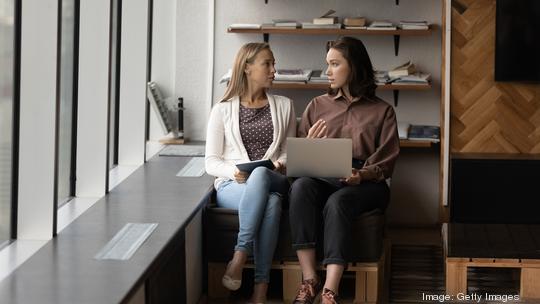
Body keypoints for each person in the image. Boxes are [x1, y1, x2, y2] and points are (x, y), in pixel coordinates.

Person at [289, 36, 400, 304]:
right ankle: (309, 279)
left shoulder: (382, 111)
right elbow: (299, 159)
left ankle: (330, 290)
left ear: (354, 66)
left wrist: (359, 175)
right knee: (300, 187)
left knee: (339, 201)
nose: (327, 71)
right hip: (323, 175)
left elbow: (386, 163)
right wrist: (309, 146)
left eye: (334, 64)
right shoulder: (317, 105)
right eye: (327, 64)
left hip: (367, 183)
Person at [205, 42, 296, 304]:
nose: (273, 70)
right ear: (247, 67)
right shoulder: (222, 109)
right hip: (234, 185)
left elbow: (289, 151)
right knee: (271, 202)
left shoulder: (285, 105)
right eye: (267, 63)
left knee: (261, 175)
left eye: (273, 64)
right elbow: (211, 162)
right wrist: (234, 171)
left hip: (274, 178)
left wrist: (278, 164)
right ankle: (261, 289)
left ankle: (240, 255)